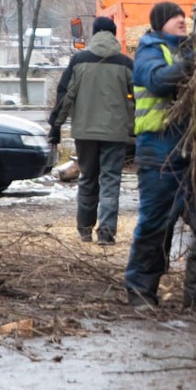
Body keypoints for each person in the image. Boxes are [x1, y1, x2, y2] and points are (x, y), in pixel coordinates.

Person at [124, 1, 196, 311]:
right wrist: (194, 63)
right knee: (157, 223)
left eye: (183, 16)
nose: (182, 20)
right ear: (159, 23)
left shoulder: (190, 51)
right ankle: (141, 290)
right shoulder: (149, 50)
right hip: (160, 149)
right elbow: (157, 81)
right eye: (174, 17)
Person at [48, 16, 134, 245]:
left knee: (88, 178)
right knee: (110, 180)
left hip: (84, 132)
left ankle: (85, 229)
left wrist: (55, 126)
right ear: (114, 34)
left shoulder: (79, 60)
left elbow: (65, 95)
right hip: (115, 133)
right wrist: (135, 130)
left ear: (95, 34)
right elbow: (137, 100)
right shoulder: (126, 64)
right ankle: (106, 232)